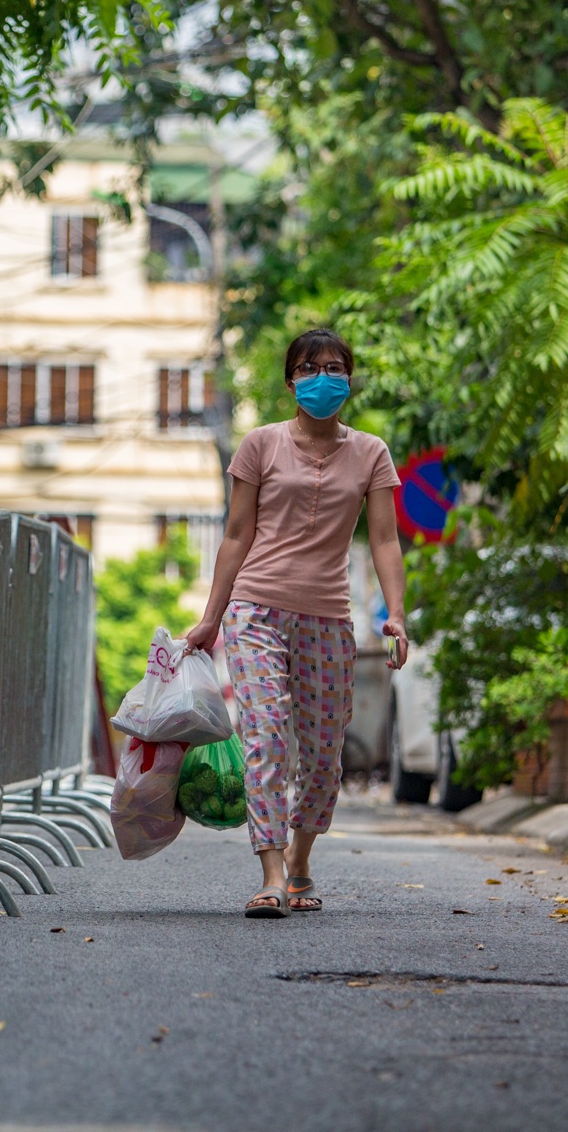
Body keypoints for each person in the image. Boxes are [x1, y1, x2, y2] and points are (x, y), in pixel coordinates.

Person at [184, 328, 409, 918]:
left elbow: (384, 539)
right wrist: (211, 618)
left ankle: (303, 859)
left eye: (336, 368)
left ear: (349, 380)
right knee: (265, 736)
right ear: (291, 382)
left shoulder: (371, 453)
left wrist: (397, 616)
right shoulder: (260, 445)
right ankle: (272, 871)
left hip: (329, 616)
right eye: (310, 369)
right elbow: (236, 535)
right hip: (255, 609)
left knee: (323, 753)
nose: (323, 378)